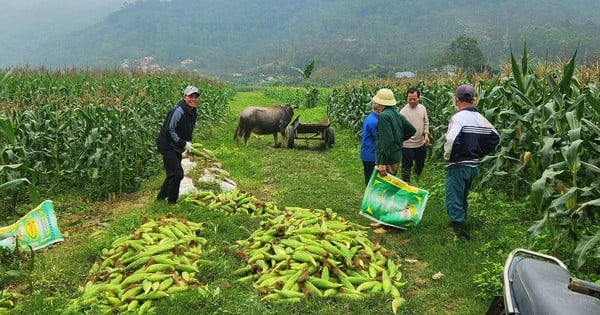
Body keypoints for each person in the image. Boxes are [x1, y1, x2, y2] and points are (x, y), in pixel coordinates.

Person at [444, 84, 499, 240]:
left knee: (453, 197)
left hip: (458, 165)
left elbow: (450, 139)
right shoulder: (481, 119)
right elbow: (495, 137)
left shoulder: (458, 118)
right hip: (473, 165)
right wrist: (480, 152)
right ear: (474, 100)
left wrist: (447, 156)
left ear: (456, 100)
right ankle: (462, 222)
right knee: (462, 195)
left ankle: (461, 233)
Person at [156, 85, 200, 204]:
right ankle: (172, 202)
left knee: (172, 173)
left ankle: (160, 199)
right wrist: (183, 143)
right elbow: (171, 130)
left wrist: (189, 143)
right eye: (191, 96)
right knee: (178, 174)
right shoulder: (178, 111)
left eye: (196, 96)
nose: (193, 99)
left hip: (176, 146)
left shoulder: (193, 111)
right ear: (184, 97)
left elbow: (188, 129)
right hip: (167, 144)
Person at [374, 88, 416, 177]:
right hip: (396, 157)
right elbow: (411, 130)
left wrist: (382, 163)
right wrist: (398, 139)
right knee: (390, 183)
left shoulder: (383, 116)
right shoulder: (396, 114)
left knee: (385, 187)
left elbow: (386, 140)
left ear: (380, 103)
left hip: (388, 159)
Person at [399, 87, 430, 183]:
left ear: (419, 98)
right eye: (409, 99)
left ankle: (417, 179)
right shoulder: (403, 112)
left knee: (420, 163)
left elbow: (426, 122)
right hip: (407, 145)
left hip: (420, 143)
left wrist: (426, 135)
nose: (412, 101)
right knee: (406, 165)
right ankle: (406, 183)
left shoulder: (422, 108)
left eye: (414, 99)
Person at [360, 100, 384, 185]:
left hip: (366, 153)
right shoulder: (375, 122)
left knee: (369, 179)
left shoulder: (370, 117)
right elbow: (378, 140)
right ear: (379, 109)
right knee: (372, 182)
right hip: (371, 155)